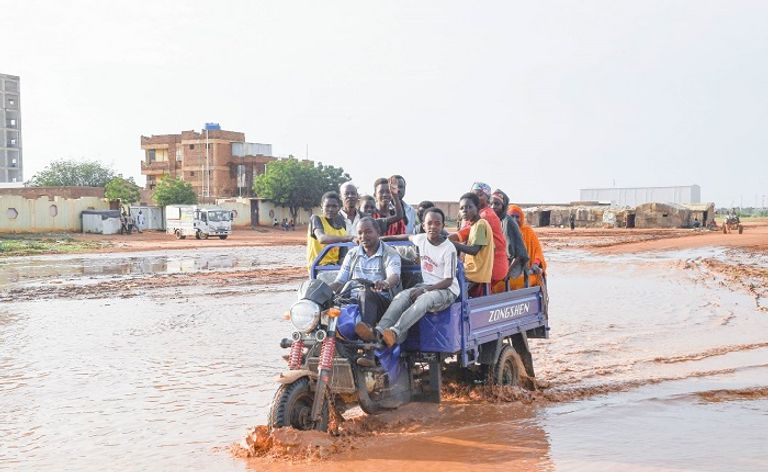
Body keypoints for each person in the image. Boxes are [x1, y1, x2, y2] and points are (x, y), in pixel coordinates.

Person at [357, 207, 459, 348]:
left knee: (425, 299)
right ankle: (379, 331)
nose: (433, 226)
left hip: (447, 291)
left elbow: (448, 281)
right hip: (426, 286)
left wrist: (425, 290)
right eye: (429, 223)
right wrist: (381, 239)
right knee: (401, 297)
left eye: (437, 223)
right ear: (423, 225)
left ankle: (395, 332)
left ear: (443, 226)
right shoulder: (421, 239)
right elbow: (405, 236)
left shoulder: (449, 249)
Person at [330, 217, 402, 365]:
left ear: (378, 232)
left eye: (368, 232)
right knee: (329, 304)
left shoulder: (390, 253)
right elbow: (340, 281)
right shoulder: (352, 254)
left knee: (365, 292)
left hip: (382, 302)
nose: (363, 236)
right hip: (354, 301)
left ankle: (369, 350)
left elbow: (394, 276)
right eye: (360, 233)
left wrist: (385, 283)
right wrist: (321, 290)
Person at [457, 182, 507, 289]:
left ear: (488, 198)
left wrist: (446, 240)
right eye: (473, 195)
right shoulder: (473, 214)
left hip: (491, 265)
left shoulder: (484, 217)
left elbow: (464, 234)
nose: (475, 198)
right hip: (481, 263)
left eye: (480, 195)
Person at [450, 193, 494, 294]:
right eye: (462, 208)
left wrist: (453, 244)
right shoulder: (474, 226)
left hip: (475, 272)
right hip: (473, 270)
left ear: (478, 208)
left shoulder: (480, 224)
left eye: (469, 207)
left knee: (445, 277)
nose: (465, 211)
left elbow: (474, 250)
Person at [490, 190, 528, 292]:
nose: (493, 207)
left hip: (509, 268)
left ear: (504, 206)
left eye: (497, 204)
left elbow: (520, 253)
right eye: (491, 204)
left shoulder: (508, 222)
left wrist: (507, 273)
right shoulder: (496, 221)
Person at [306, 191, 354, 268]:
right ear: (322, 206)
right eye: (327, 206)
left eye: (334, 206)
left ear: (339, 207)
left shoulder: (341, 227)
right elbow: (322, 238)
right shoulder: (316, 219)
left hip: (335, 266)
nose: (331, 209)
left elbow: (342, 254)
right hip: (319, 267)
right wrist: (349, 237)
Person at [507, 205, 547, 289]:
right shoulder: (504, 230)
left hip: (526, 273)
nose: (514, 219)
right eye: (512, 216)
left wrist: (535, 264)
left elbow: (537, 252)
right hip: (507, 273)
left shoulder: (528, 232)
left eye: (517, 217)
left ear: (521, 218)